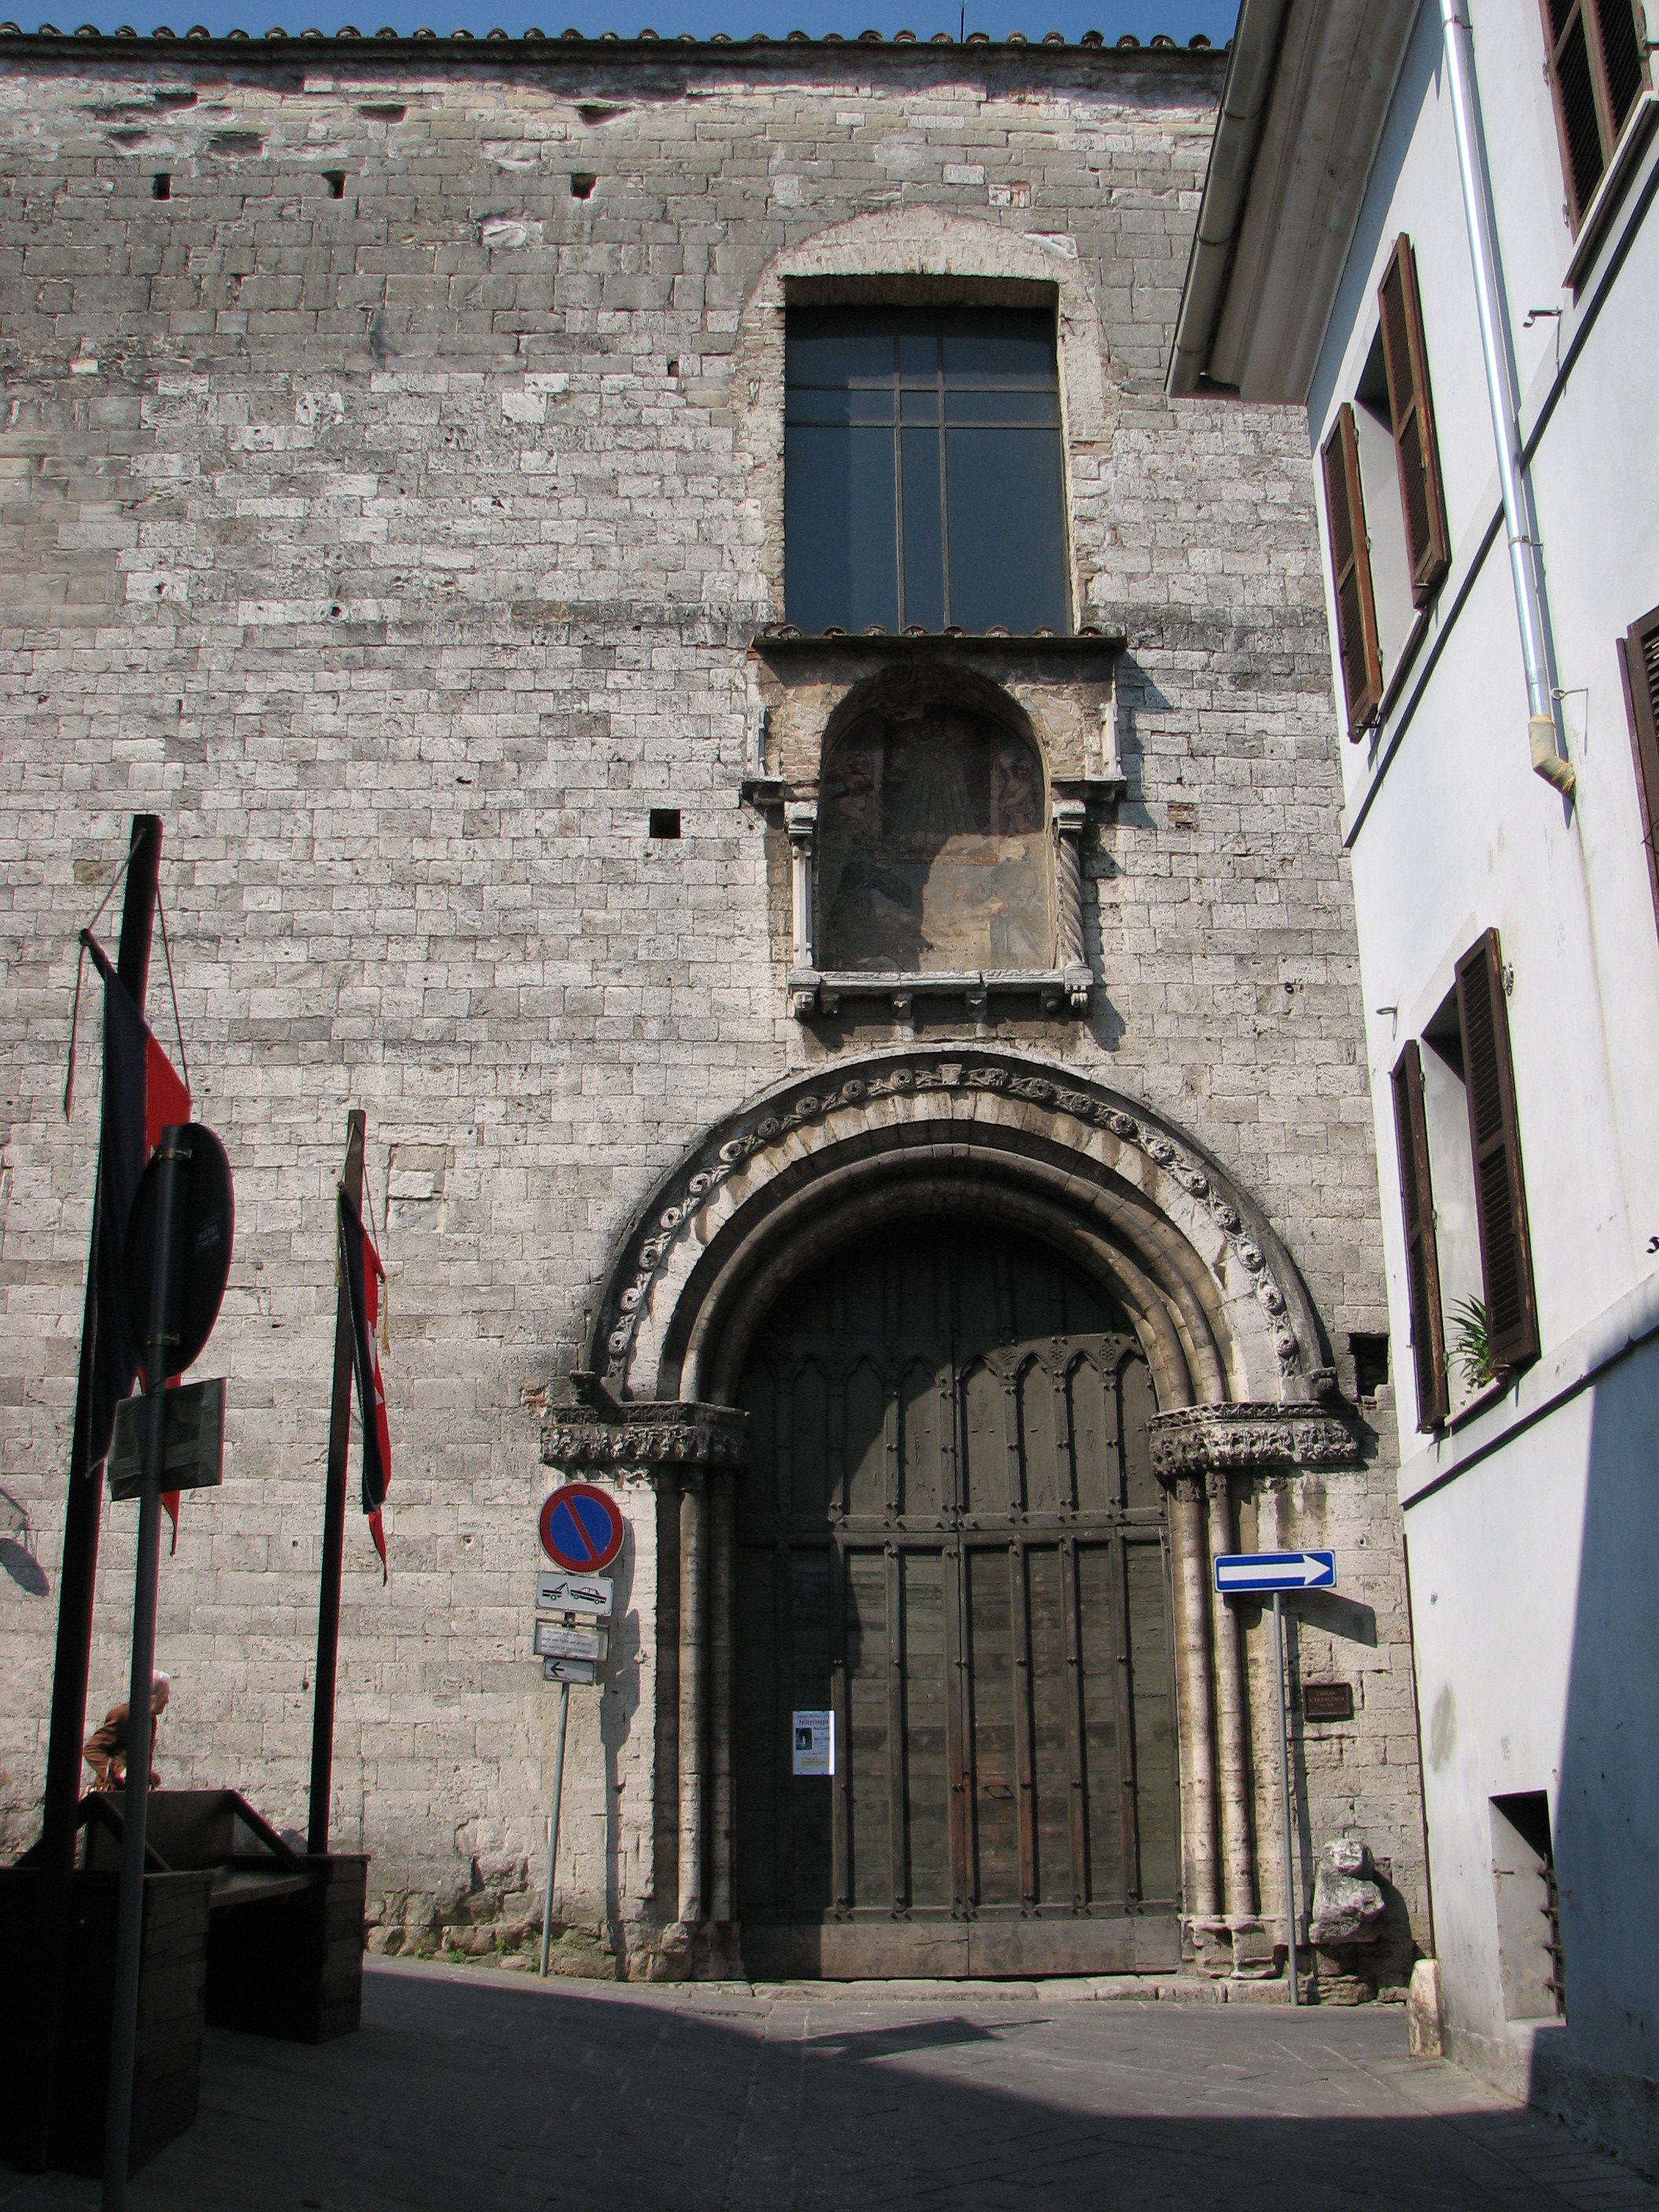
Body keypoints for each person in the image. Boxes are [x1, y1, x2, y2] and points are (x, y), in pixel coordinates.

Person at [82, 1672, 170, 1793]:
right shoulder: (125, 1714)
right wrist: (117, 1772)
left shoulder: (151, 1719)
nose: (167, 1701)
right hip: (114, 1793)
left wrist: (146, 1774)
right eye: (163, 1695)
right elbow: (92, 1749)